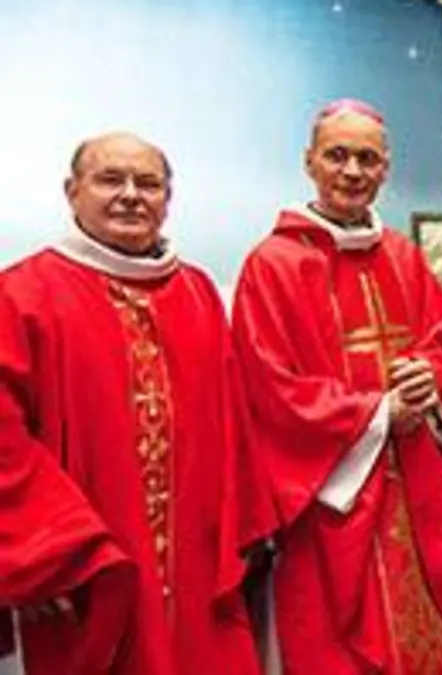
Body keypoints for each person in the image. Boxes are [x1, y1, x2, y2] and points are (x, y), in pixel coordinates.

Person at [0, 132, 275, 674]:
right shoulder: (22, 295)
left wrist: (242, 530)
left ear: (167, 200)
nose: (130, 195)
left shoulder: (196, 291)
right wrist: (39, 550)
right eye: (110, 180)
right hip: (87, 570)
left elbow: (234, 424)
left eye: (148, 184)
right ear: (72, 191)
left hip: (199, 562)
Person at [232, 99, 442, 675]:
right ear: (309, 161)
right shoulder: (274, 264)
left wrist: (430, 374)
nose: (352, 171)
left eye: (367, 159)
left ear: (386, 167)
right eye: (337, 156)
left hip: (413, 487)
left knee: (424, 638)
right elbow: (270, 387)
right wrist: (380, 412)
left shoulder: (403, 255)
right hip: (330, 499)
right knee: (334, 644)